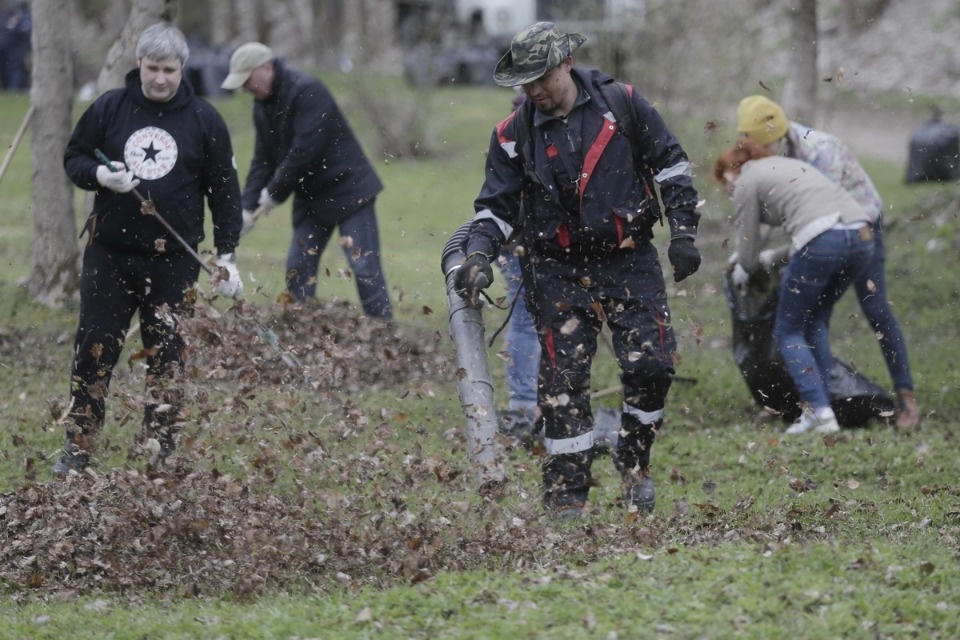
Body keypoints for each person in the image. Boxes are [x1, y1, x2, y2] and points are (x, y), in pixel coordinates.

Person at [454, 22, 702, 517]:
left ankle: (634, 460)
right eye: (525, 82)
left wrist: (683, 234)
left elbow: (672, 165)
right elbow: (494, 209)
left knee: (651, 367)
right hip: (556, 268)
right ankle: (566, 497)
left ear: (566, 63)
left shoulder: (623, 104)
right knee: (563, 383)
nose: (534, 90)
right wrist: (478, 254)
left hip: (629, 258)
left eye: (542, 77)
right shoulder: (512, 135)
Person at [57, 22, 244, 476]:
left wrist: (227, 255)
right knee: (94, 348)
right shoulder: (109, 109)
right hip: (110, 253)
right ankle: (78, 447)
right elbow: (75, 157)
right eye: (153, 68)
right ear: (139, 63)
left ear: (183, 68)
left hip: (174, 261)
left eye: (169, 70)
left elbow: (224, 190)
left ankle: (160, 452)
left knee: (167, 356)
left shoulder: (205, 120)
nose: (160, 78)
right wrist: (101, 176)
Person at [736, 95, 920, 429]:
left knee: (876, 309)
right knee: (811, 316)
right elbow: (780, 213)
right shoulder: (768, 156)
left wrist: (770, 257)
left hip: (860, 224)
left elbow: (825, 219)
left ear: (780, 136)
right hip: (822, 232)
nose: (764, 153)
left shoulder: (819, 151)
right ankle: (813, 399)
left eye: (768, 146)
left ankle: (906, 398)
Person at [221, 42, 392, 319]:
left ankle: (385, 334)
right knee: (298, 268)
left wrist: (274, 192)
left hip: (349, 190)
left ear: (266, 68)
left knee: (364, 268)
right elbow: (263, 160)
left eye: (247, 80)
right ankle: (299, 332)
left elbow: (305, 151)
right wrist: (247, 207)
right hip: (311, 198)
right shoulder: (262, 108)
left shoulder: (307, 91)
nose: (245, 89)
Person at [715, 139, 875, 435]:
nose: (729, 192)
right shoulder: (786, 166)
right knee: (815, 321)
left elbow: (748, 256)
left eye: (726, 185)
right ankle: (826, 409)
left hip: (825, 239)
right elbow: (820, 234)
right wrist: (770, 258)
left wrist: (744, 267)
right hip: (862, 236)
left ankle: (817, 411)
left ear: (729, 173)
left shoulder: (746, 180)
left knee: (788, 330)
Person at [0, 0, 30, 90]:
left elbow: (25, 32)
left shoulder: (25, 16)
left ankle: (15, 90)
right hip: (6, 52)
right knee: (7, 72)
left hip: (18, 52)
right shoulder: (6, 15)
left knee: (17, 74)